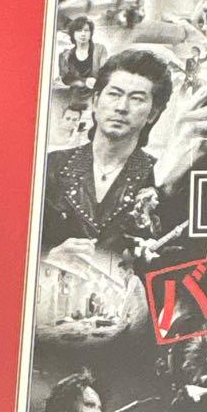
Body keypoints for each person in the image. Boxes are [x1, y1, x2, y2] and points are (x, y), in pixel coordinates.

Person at [42, 49, 173, 263]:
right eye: (114, 94)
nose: (121, 107)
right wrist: (48, 259)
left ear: (152, 114)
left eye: (137, 99)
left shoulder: (160, 178)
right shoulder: (50, 167)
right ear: (95, 102)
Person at [58, 16, 108, 91]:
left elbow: (105, 73)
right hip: (75, 94)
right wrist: (84, 82)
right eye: (79, 30)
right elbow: (65, 79)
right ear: (73, 34)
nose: (83, 34)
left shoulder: (100, 49)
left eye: (86, 30)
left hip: (96, 92)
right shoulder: (66, 55)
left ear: (91, 33)